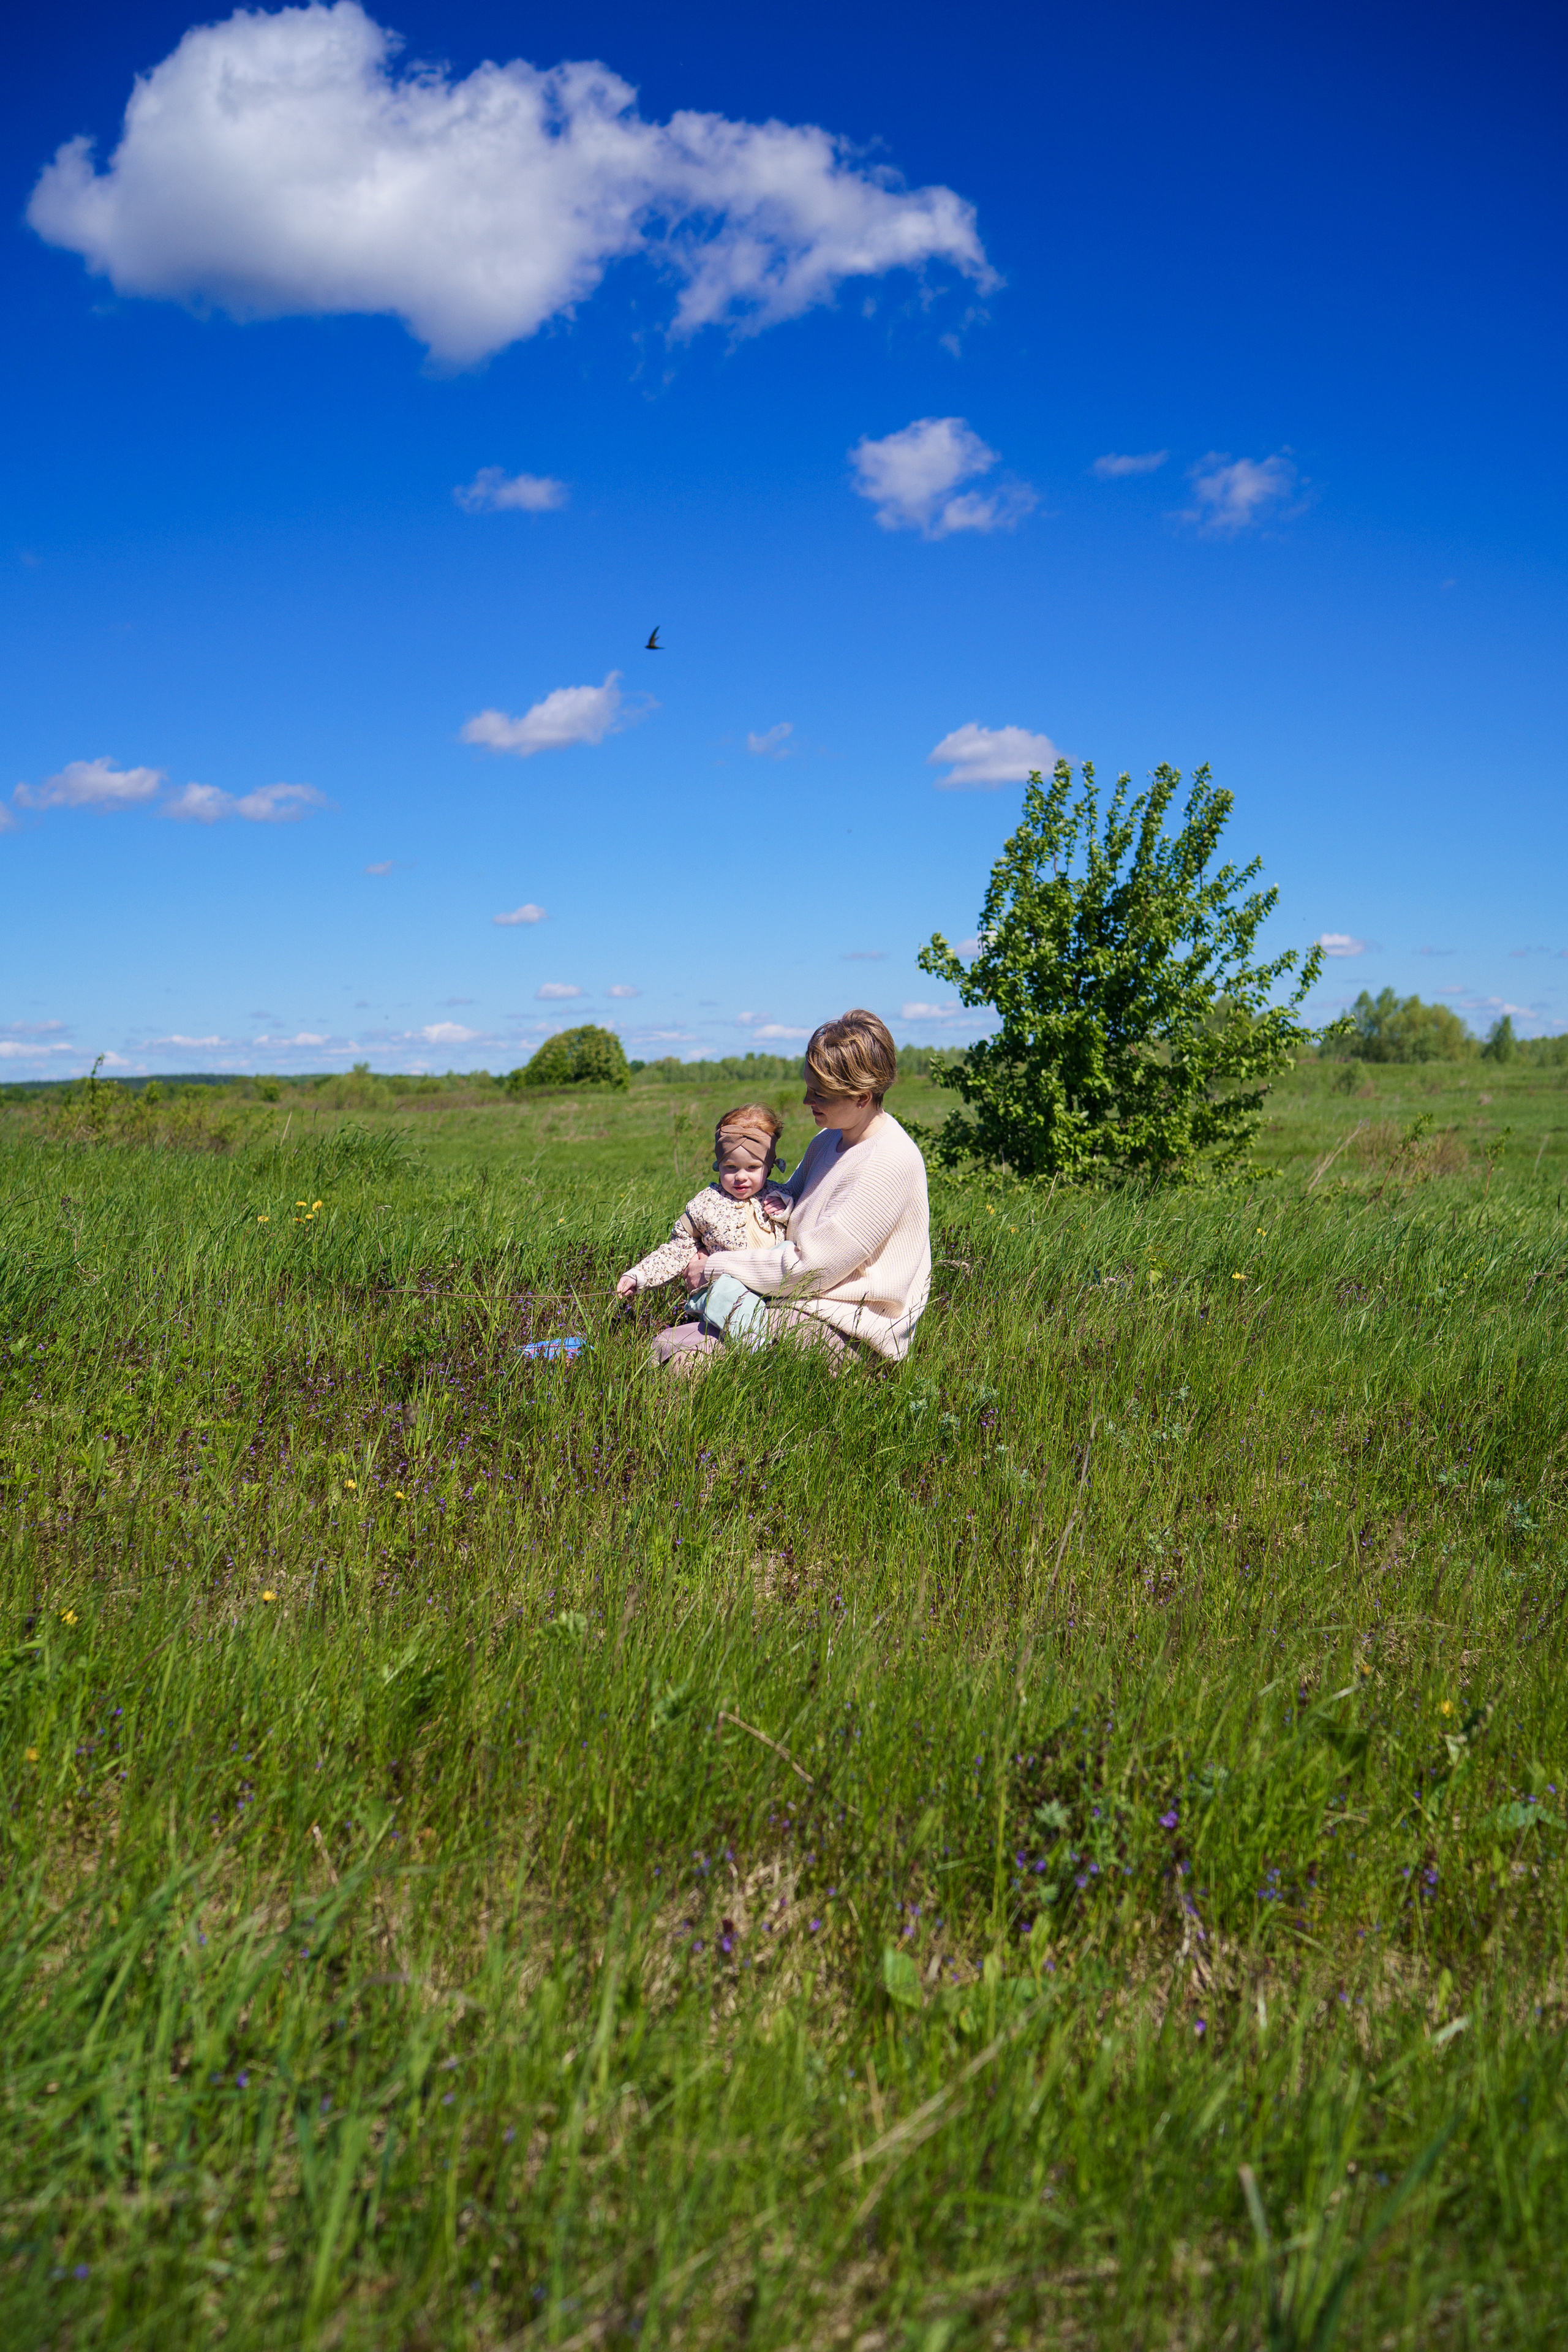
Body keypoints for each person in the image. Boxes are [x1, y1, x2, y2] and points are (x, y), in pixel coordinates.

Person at [652, 1010, 931, 1371]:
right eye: (808, 1087)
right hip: (796, 1301)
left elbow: (811, 1268)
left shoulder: (889, 1161)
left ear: (862, 1097)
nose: (806, 1101)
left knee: (685, 1362)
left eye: (820, 1094)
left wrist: (714, 1268)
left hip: (849, 1327)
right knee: (664, 1344)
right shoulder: (828, 1140)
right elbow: (778, 1201)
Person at [616, 1105, 792, 1344]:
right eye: (730, 1167)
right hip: (720, 1289)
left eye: (752, 1167)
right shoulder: (706, 1204)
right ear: (718, 1165)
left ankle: (774, 1336)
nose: (740, 1176)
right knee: (732, 1293)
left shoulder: (781, 1196)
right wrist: (640, 1276)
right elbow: (678, 1248)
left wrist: (786, 1211)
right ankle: (757, 1352)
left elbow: (802, 1229)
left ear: (770, 1167)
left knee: (786, 1253)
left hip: (768, 1283)